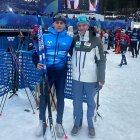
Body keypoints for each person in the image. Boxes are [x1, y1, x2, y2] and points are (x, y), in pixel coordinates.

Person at [32, 14, 74, 138]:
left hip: (61, 74)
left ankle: (59, 123)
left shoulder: (69, 39)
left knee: (61, 98)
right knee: (43, 97)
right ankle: (42, 122)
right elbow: (35, 54)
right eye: (57, 23)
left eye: (62, 23)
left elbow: (77, 53)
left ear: (65, 25)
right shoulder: (44, 37)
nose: (59, 25)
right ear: (53, 24)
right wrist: (36, 63)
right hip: (47, 73)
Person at [71, 16, 106, 138]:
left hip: (90, 79)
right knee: (77, 103)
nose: (81, 28)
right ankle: (77, 123)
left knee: (91, 103)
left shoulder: (96, 40)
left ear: (88, 25)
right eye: (79, 25)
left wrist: (101, 78)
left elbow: (101, 60)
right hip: (76, 78)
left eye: (84, 25)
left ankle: (91, 125)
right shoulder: (75, 39)